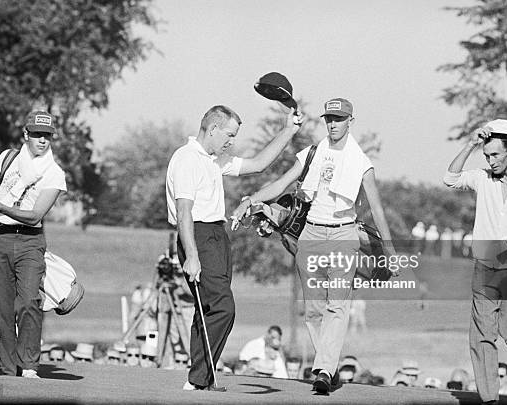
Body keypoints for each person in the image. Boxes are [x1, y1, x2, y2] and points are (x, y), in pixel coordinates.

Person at [232, 97, 395, 394]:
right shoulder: (311, 154)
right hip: (311, 235)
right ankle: (328, 368)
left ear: (350, 121)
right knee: (314, 310)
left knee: (337, 306)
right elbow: (281, 185)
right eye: (329, 119)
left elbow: (378, 208)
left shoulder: (361, 162)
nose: (333, 124)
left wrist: (390, 251)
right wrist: (251, 200)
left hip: (344, 235)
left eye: (339, 119)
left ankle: (322, 369)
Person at [167, 104, 302, 390]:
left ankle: (202, 378)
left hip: (217, 235)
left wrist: (289, 130)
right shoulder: (187, 159)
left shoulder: (214, 159)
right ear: (213, 128)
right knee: (223, 306)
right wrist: (191, 255)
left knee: (209, 307)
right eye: (229, 134)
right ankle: (198, 378)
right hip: (198, 236)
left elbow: (258, 164)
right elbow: (183, 212)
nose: (231, 141)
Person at [444, 118, 507, 405]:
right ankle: (489, 398)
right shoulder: (481, 177)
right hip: (485, 267)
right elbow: (450, 178)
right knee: (483, 335)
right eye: (487, 155)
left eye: (496, 155)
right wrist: (471, 145)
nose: (491, 161)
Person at [0, 110, 67, 378]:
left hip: (30, 241)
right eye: (37, 134)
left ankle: (29, 365)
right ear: (26, 135)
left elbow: (36, 215)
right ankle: (9, 368)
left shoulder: (55, 173)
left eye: (46, 136)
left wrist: (1, 206)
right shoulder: (7, 158)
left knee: (28, 302)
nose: (42, 141)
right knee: (3, 305)